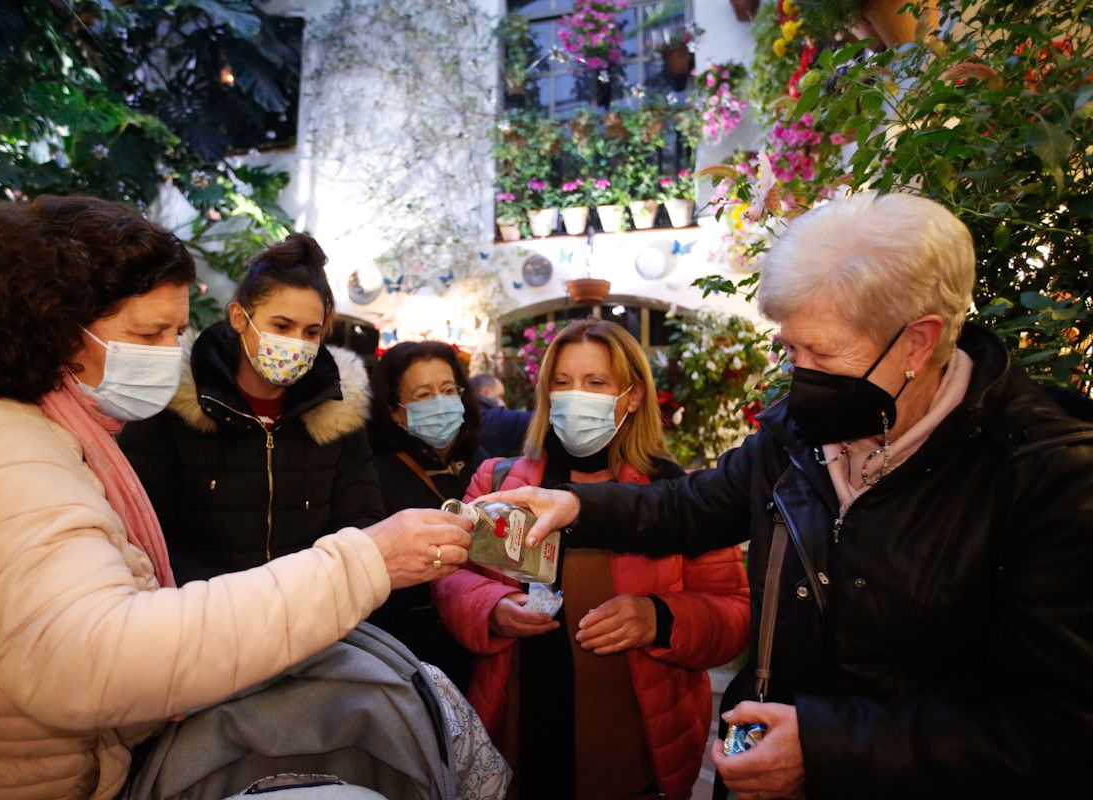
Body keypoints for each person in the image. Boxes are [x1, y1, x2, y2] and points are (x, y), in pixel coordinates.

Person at [481, 193, 1093, 799]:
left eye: (820, 352)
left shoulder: (1047, 474)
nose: (799, 375)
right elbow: (691, 508)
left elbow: (1061, 726)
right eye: (790, 349)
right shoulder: (798, 435)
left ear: (917, 343)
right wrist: (580, 508)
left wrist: (829, 749)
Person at [0, 196, 481, 800]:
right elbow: (94, 660)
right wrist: (365, 562)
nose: (169, 354)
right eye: (149, 332)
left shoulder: (3, 427)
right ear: (49, 323)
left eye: (175, 332)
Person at [434, 319, 751, 800]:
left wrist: (659, 618)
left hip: (636, 757)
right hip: (517, 746)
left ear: (632, 396)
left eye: (595, 383)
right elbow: (451, 578)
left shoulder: (680, 500)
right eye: (562, 383)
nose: (573, 396)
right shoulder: (499, 482)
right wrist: (492, 608)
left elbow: (734, 613)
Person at [118, 235, 383, 584]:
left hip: (314, 612)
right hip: (201, 614)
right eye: (282, 326)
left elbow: (361, 521)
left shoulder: (338, 413)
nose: (296, 344)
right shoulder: (171, 410)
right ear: (240, 318)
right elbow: (148, 537)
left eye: (311, 332)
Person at [368, 341, 488, 689]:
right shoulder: (371, 472)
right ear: (395, 411)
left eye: (448, 390)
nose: (440, 402)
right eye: (423, 394)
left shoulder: (484, 461)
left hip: (476, 644)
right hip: (406, 655)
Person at [469, 373, 532, 457]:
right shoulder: (493, 419)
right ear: (485, 392)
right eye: (500, 396)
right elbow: (538, 420)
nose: (503, 403)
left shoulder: (468, 418)